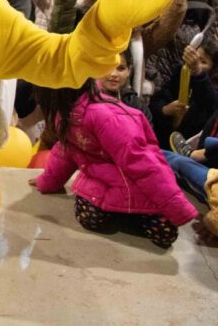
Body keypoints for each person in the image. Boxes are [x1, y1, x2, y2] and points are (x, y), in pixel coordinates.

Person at [32, 77, 198, 248]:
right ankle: (127, 213)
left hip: (139, 186)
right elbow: (66, 151)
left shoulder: (107, 117)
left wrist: (176, 207)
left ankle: (134, 213)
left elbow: (144, 165)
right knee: (88, 219)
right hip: (103, 184)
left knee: (164, 235)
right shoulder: (65, 114)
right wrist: (47, 181)